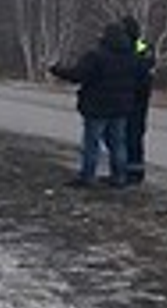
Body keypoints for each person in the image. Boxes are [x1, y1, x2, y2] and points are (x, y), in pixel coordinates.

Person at [49, 22, 140, 187]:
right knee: (118, 143)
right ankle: (119, 176)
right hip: (121, 107)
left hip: (97, 106)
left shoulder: (96, 56)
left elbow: (78, 75)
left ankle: (88, 176)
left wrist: (57, 70)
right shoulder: (131, 56)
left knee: (92, 143)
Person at [121, 15, 155, 184]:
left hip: (134, 95)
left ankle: (132, 172)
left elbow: (145, 62)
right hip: (140, 95)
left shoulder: (135, 46)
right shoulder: (141, 45)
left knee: (131, 134)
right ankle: (134, 170)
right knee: (134, 134)